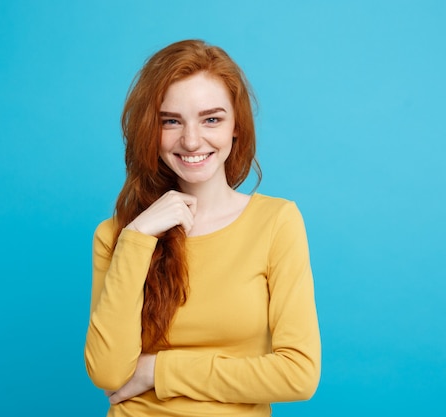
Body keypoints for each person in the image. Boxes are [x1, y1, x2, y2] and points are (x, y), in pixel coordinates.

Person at [84, 39, 320, 417]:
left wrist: (158, 371)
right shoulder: (119, 235)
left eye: (211, 119)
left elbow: (298, 375)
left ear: (236, 127)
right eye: (171, 121)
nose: (191, 140)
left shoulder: (276, 222)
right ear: (151, 129)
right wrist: (137, 239)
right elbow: (108, 372)